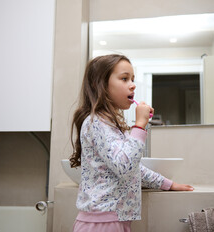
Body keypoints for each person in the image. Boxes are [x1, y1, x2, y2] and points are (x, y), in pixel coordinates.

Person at [69, 54, 193, 232]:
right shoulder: (96, 122)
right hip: (102, 222)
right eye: (124, 78)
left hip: (111, 219)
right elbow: (124, 165)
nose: (133, 84)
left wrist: (167, 184)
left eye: (132, 79)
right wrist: (140, 125)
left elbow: (132, 167)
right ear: (101, 85)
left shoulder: (109, 124)